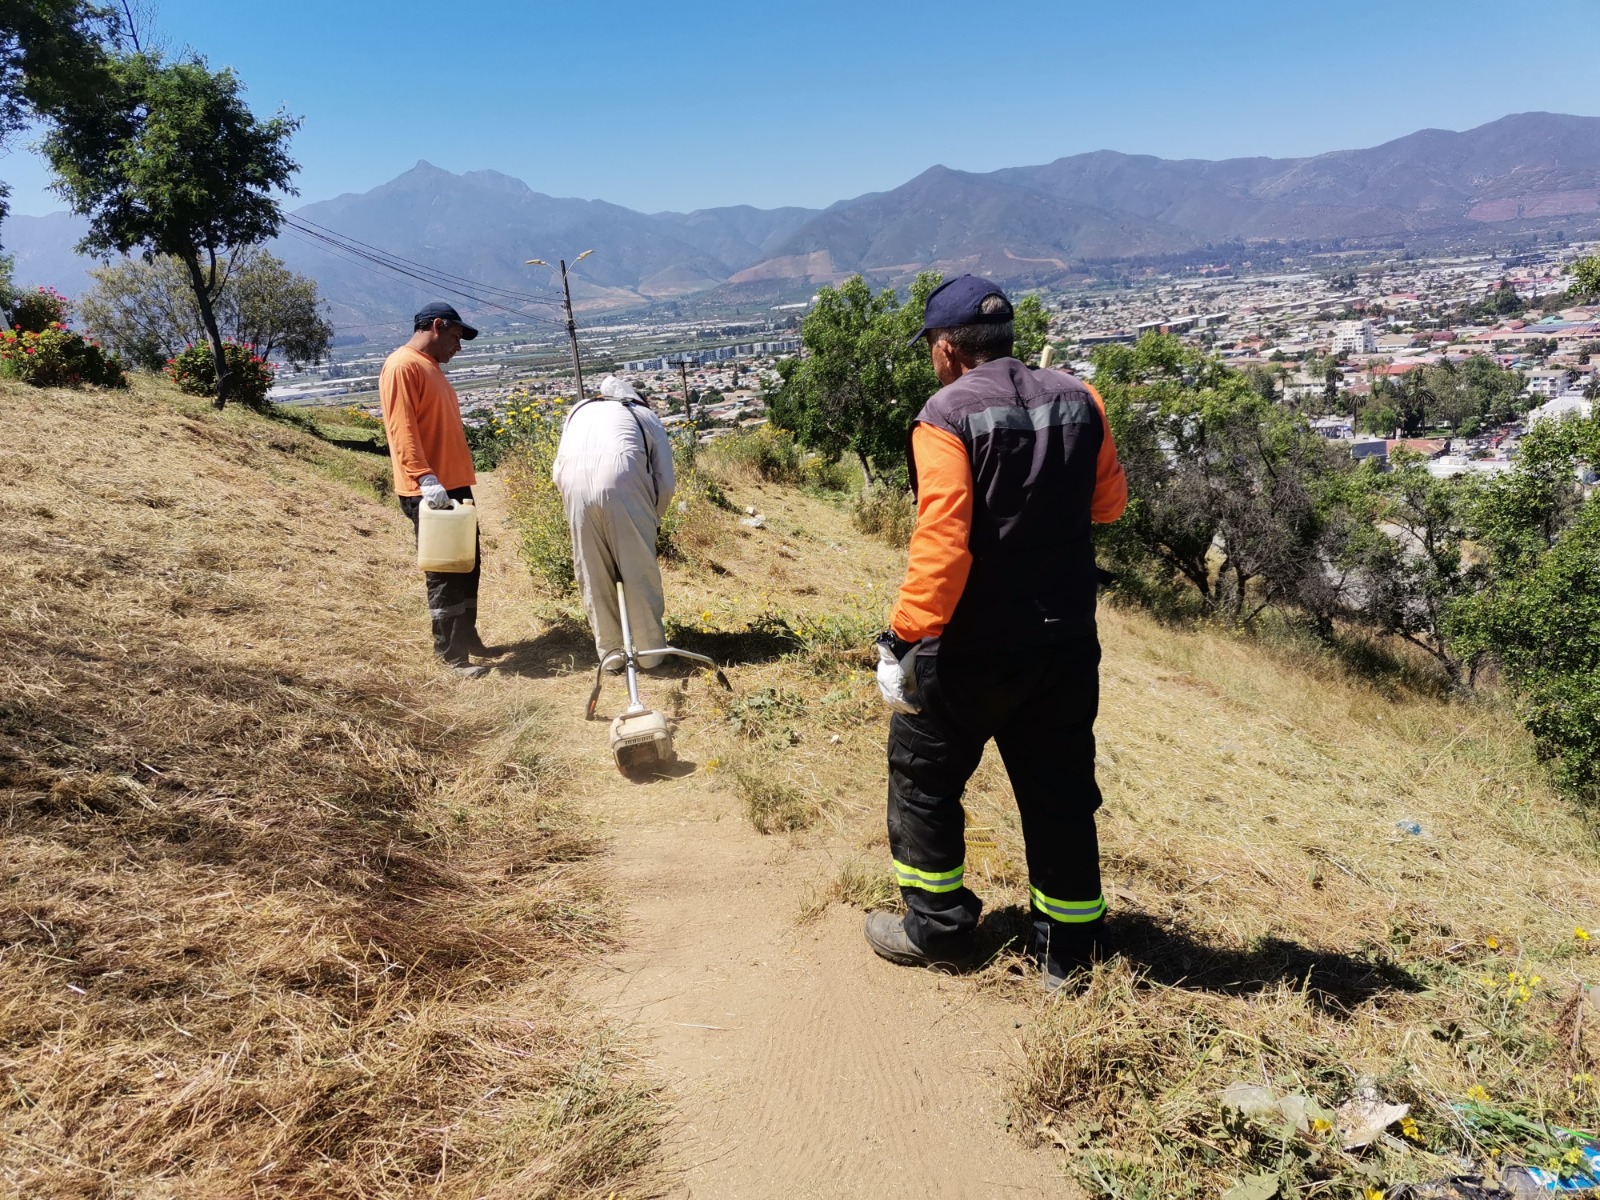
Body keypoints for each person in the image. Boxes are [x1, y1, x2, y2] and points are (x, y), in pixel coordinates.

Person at [865, 275, 1128, 989]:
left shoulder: (943, 417)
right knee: (1060, 793)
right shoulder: (1082, 398)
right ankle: (1071, 955)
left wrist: (903, 636)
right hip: (1065, 642)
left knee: (923, 778)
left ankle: (938, 928)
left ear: (946, 349)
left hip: (972, 649)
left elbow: (942, 542)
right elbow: (1109, 505)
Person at [380, 302, 496, 679]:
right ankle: (451, 656)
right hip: (431, 487)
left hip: (453, 484)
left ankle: (467, 638)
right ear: (437, 326)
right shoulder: (403, 365)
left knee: (468, 564)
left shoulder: (429, 368)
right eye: (456, 337)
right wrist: (423, 477)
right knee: (446, 571)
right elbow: (402, 428)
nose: (458, 348)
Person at [553, 375, 676, 669]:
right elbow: (666, 482)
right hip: (624, 487)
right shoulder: (644, 414)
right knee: (638, 573)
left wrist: (576, 506)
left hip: (574, 488)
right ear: (637, 398)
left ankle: (611, 655)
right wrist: (651, 520)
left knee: (593, 574)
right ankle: (650, 655)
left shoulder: (578, 411)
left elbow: (558, 471)